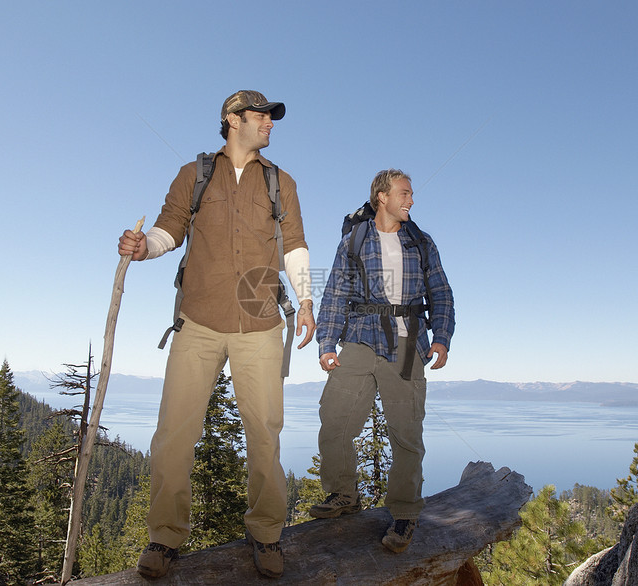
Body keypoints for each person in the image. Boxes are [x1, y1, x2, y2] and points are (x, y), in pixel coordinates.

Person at [118, 90, 314, 579]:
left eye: (271, 117)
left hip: (261, 325)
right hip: (199, 323)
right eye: (261, 116)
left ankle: (267, 533)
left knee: (265, 435)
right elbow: (169, 229)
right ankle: (164, 539)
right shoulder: (195, 174)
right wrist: (144, 247)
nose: (269, 123)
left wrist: (306, 300)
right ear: (232, 120)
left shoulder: (280, 182)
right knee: (173, 435)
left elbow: (294, 245)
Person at [311, 169, 455, 553]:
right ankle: (344, 494)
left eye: (410, 193)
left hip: (408, 344)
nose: (410, 199)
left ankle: (405, 512)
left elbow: (441, 292)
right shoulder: (354, 241)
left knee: (407, 432)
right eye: (404, 193)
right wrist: (327, 343)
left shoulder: (421, 242)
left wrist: (441, 337)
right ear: (381, 197)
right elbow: (335, 293)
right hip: (360, 338)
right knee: (336, 417)